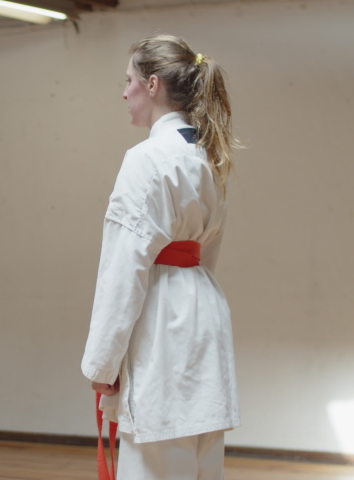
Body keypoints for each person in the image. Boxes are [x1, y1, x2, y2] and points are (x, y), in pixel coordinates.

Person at [81, 35, 241, 480]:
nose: (124, 92)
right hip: (204, 312)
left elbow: (123, 270)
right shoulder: (208, 156)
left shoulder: (145, 159)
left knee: (156, 460)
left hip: (161, 327)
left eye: (129, 80)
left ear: (152, 85)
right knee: (200, 461)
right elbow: (207, 253)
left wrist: (102, 364)